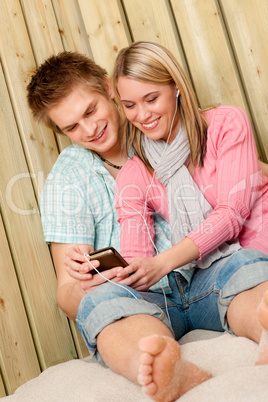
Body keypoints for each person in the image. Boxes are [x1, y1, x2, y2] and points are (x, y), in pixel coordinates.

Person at [27, 51, 216, 402]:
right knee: (103, 308)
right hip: (142, 298)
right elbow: (66, 294)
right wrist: (87, 282)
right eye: (71, 127)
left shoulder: (155, 122)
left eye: (90, 111)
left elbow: (243, 179)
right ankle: (156, 360)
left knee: (245, 269)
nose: (89, 130)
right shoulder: (68, 178)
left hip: (205, 270)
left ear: (108, 88)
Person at [111, 41, 268, 398]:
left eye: (151, 99)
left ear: (176, 88)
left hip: (254, 254)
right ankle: (170, 368)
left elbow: (231, 214)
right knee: (101, 300)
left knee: (244, 264)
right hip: (208, 277)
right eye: (129, 105)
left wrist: (162, 262)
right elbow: (136, 254)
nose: (142, 115)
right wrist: (121, 272)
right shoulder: (134, 175)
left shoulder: (225, 123)